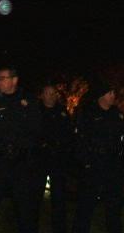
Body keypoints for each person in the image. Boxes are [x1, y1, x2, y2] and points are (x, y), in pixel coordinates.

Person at [0, 66, 44, 233]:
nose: (0, 81)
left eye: (4, 78)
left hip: (22, 163)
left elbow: (37, 129)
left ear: (14, 80)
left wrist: (22, 144)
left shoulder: (28, 100)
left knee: (26, 210)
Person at [71, 80, 124, 233]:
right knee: (85, 206)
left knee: (114, 207)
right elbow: (78, 140)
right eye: (110, 93)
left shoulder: (117, 115)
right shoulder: (88, 113)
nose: (113, 96)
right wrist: (85, 162)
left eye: (114, 93)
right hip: (93, 165)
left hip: (112, 165)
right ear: (101, 95)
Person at [38, 83, 74, 233]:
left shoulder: (62, 112)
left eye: (53, 93)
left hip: (58, 160)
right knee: (34, 196)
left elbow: (69, 134)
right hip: (39, 159)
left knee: (59, 198)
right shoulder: (36, 111)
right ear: (42, 95)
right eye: (48, 93)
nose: (51, 96)